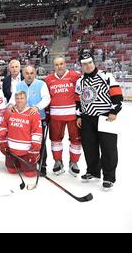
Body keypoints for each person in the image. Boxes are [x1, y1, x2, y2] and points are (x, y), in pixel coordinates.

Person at [75, 52, 123, 190]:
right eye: (84, 63)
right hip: (87, 118)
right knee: (89, 147)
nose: (88, 65)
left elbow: (118, 96)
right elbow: (78, 99)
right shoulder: (80, 81)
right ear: (81, 65)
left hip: (105, 117)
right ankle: (93, 172)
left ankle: (108, 177)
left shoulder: (106, 76)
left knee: (109, 149)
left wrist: (114, 112)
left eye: (90, 62)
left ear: (94, 62)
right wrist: (79, 115)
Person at [8, 65, 50, 176]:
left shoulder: (41, 84)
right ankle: (25, 162)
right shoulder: (19, 85)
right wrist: (11, 104)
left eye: (31, 73)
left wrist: (37, 107)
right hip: (22, 120)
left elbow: (47, 98)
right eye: (27, 73)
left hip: (38, 118)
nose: (29, 75)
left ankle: (42, 165)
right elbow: (13, 98)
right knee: (24, 143)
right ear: (23, 74)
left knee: (39, 143)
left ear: (35, 74)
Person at [44, 56, 82, 176]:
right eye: (56, 64)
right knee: (55, 140)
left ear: (65, 64)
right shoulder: (48, 79)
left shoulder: (75, 76)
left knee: (76, 140)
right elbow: (46, 97)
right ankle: (58, 161)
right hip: (55, 116)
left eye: (61, 64)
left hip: (73, 116)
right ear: (53, 66)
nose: (59, 66)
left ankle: (74, 162)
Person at [0, 91, 43, 177]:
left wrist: (34, 150)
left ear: (26, 99)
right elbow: (4, 126)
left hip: (26, 151)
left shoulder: (33, 113)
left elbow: (37, 132)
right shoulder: (9, 112)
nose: (19, 100)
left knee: (30, 174)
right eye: (17, 98)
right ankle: (17, 164)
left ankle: (24, 164)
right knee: (12, 171)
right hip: (11, 150)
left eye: (22, 98)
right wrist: (2, 140)